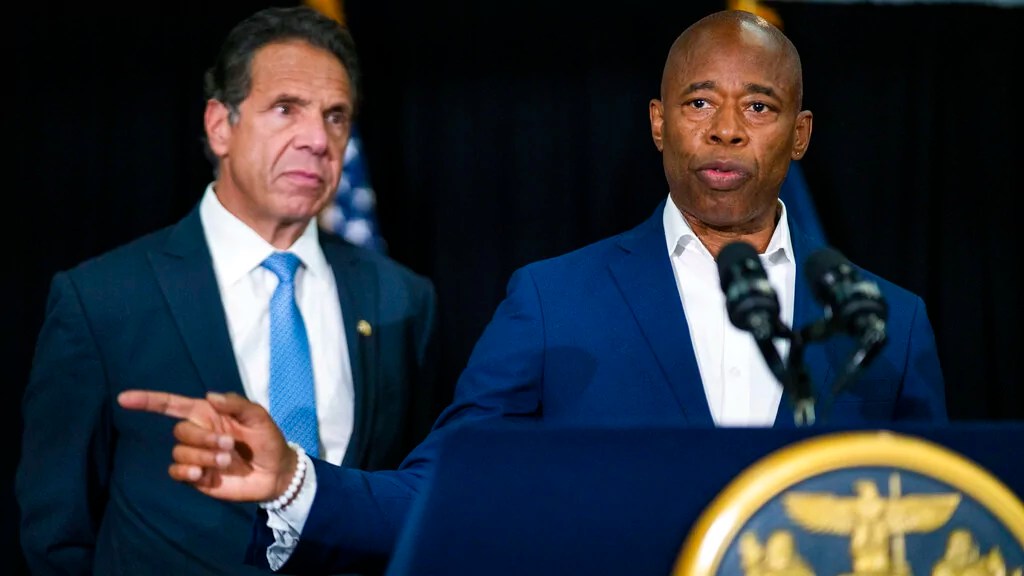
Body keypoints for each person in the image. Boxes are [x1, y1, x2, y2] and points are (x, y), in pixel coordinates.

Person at [117, 9, 947, 574]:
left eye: (758, 105)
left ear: (799, 134)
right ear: (659, 122)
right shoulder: (557, 302)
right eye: (700, 101)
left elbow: (941, 525)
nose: (726, 128)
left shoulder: (886, 321)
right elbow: (444, 492)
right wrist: (296, 480)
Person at [16, 6, 440, 576]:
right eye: (286, 108)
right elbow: (57, 531)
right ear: (220, 125)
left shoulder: (402, 299)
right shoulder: (102, 300)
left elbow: (420, 496)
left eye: (336, 117)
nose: (317, 138)